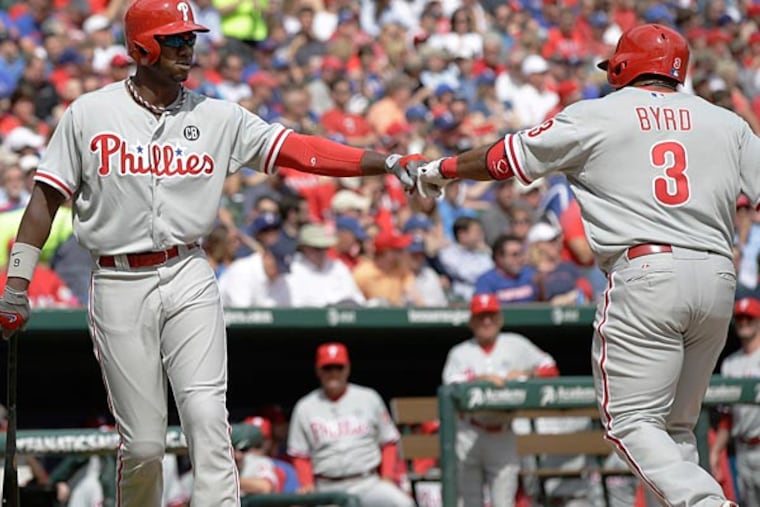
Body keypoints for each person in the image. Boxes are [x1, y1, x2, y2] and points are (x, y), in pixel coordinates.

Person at [0, 2, 423, 506]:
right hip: (117, 280)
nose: (187, 48)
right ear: (141, 47)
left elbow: (297, 149)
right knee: (144, 444)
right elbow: (45, 200)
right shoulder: (89, 113)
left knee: (207, 420)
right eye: (174, 39)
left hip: (189, 272)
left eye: (190, 38)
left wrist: (385, 161)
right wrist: (17, 283)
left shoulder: (218, 114)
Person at [415, 23, 751, 507]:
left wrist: (442, 169)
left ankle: (706, 503)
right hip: (719, 276)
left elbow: (504, 158)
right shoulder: (727, 121)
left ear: (623, 64)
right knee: (675, 429)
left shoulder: (598, 114)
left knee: (631, 423)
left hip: (648, 273)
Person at [442, 293, 559, 507]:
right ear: (471, 322)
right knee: (470, 502)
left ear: (500, 319)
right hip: (469, 431)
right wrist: (480, 379)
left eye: (491, 315)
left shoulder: (515, 344)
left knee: (503, 502)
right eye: (480, 316)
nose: (486, 321)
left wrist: (526, 375)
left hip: (503, 431)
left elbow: (549, 367)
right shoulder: (460, 352)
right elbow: (450, 383)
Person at [287, 342, 414, 507]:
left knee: (403, 504)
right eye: (327, 368)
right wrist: (306, 484)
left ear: (347, 369)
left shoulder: (369, 398)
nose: (333, 374)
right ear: (318, 371)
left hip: (368, 483)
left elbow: (388, 442)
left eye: (338, 368)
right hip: (326, 487)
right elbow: (299, 454)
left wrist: (387, 477)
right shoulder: (305, 407)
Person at [709, 298, 760, 506]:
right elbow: (727, 417)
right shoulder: (730, 363)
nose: (744, 322)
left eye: (749, 318)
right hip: (742, 449)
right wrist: (715, 451)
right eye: (740, 318)